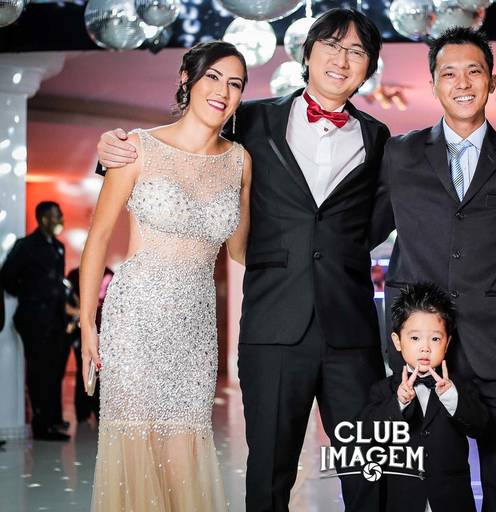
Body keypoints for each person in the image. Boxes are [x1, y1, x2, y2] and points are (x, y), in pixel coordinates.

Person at [94, 9, 390, 511]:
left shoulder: (378, 137)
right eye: (332, 46)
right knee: (269, 476)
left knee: (370, 473)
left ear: (368, 67)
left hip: (351, 330)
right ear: (307, 54)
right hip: (273, 327)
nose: (342, 60)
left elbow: (378, 218)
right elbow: (181, 142)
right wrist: (110, 151)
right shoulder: (250, 119)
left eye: (356, 51)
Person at [370, 27, 496, 511]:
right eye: (449, 73)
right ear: (433, 84)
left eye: (474, 71)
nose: (462, 82)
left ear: (491, 81)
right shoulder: (399, 154)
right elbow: (362, 231)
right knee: (440, 480)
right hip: (422, 345)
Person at [80, 41, 251, 510]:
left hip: (195, 326)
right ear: (186, 79)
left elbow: (241, 250)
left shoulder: (240, 161)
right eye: (213, 77)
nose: (223, 91)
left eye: (235, 84)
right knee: (136, 442)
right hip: (135, 317)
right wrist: (87, 324)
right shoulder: (138, 147)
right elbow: (97, 239)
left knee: (184, 447)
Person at [361, 282, 488, 512]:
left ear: (447, 343)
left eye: (435, 339)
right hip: (402, 502)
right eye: (415, 338)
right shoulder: (383, 390)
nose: (425, 348)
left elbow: (480, 426)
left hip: (452, 502)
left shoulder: (460, 387)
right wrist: (398, 403)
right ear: (397, 341)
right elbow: (369, 435)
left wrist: (451, 397)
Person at [0, 201, 70, 441]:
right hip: (34, 319)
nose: (60, 219)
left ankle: (54, 419)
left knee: (55, 371)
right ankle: (42, 426)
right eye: (56, 216)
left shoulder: (58, 247)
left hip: (56, 320)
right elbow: (6, 277)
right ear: (43, 219)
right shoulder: (26, 246)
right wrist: (31, 295)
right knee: (39, 371)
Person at [65, 266, 113, 423]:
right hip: (83, 330)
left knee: (100, 371)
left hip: (104, 331)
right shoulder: (75, 275)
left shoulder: (109, 274)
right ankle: (83, 411)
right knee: (84, 368)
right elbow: (67, 301)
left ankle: (97, 410)